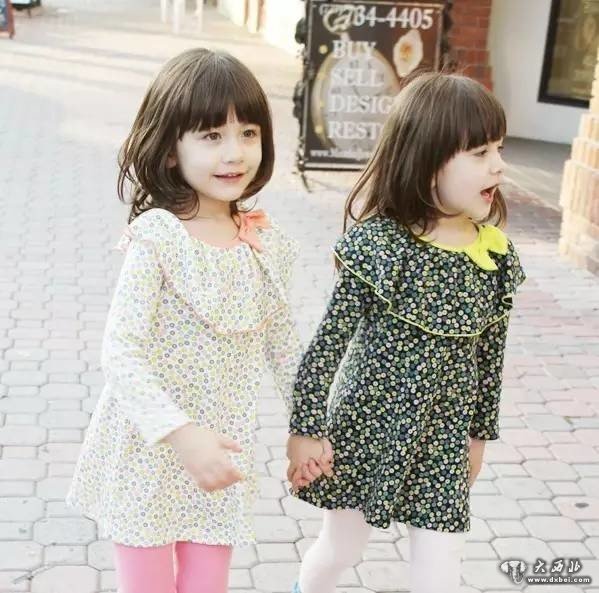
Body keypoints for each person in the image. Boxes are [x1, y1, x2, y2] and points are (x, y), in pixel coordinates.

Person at [66, 47, 311, 593]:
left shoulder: (263, 242)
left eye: (249, 133)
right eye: (211, 135)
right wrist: (181, 434)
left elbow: (285, 348)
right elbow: (120, 353)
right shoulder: (158, 237)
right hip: (149, 453)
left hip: (219, 462)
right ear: (171, 150)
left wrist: (308, 429)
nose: (235, 153)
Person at [286, 71, 527, 593]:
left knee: (441, 570)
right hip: (366, 426)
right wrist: (305, 429)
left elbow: (491, 360)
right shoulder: (380, 246)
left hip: (444, 438)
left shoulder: (494, 257)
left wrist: (478, 437)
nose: (499, 165)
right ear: (426, 159)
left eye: (500, 149)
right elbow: (325, 349)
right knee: (341, 549)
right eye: (480, 152)